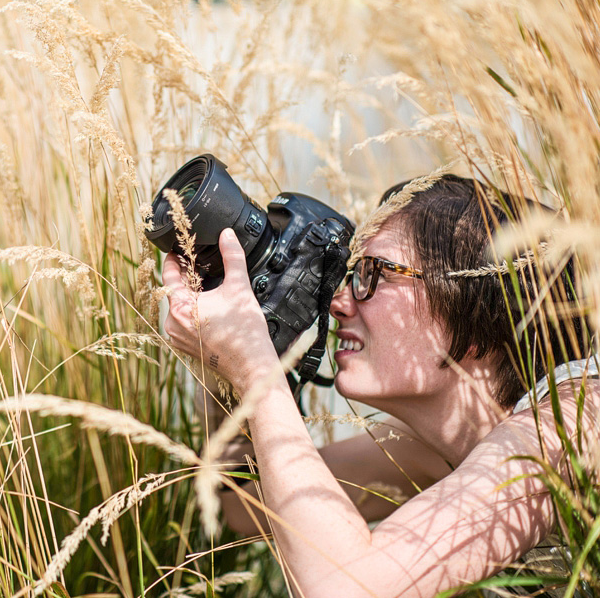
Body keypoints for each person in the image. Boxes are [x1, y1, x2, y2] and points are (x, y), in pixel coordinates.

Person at [162, 175, 598, 597]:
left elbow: (344, 588)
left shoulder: (577, 425)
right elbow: (244, 506)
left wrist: (256, 373)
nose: (337, 303)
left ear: (475, 298)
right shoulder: (433, 449)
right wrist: (236, 351)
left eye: (375, 273)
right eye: (351, 274)